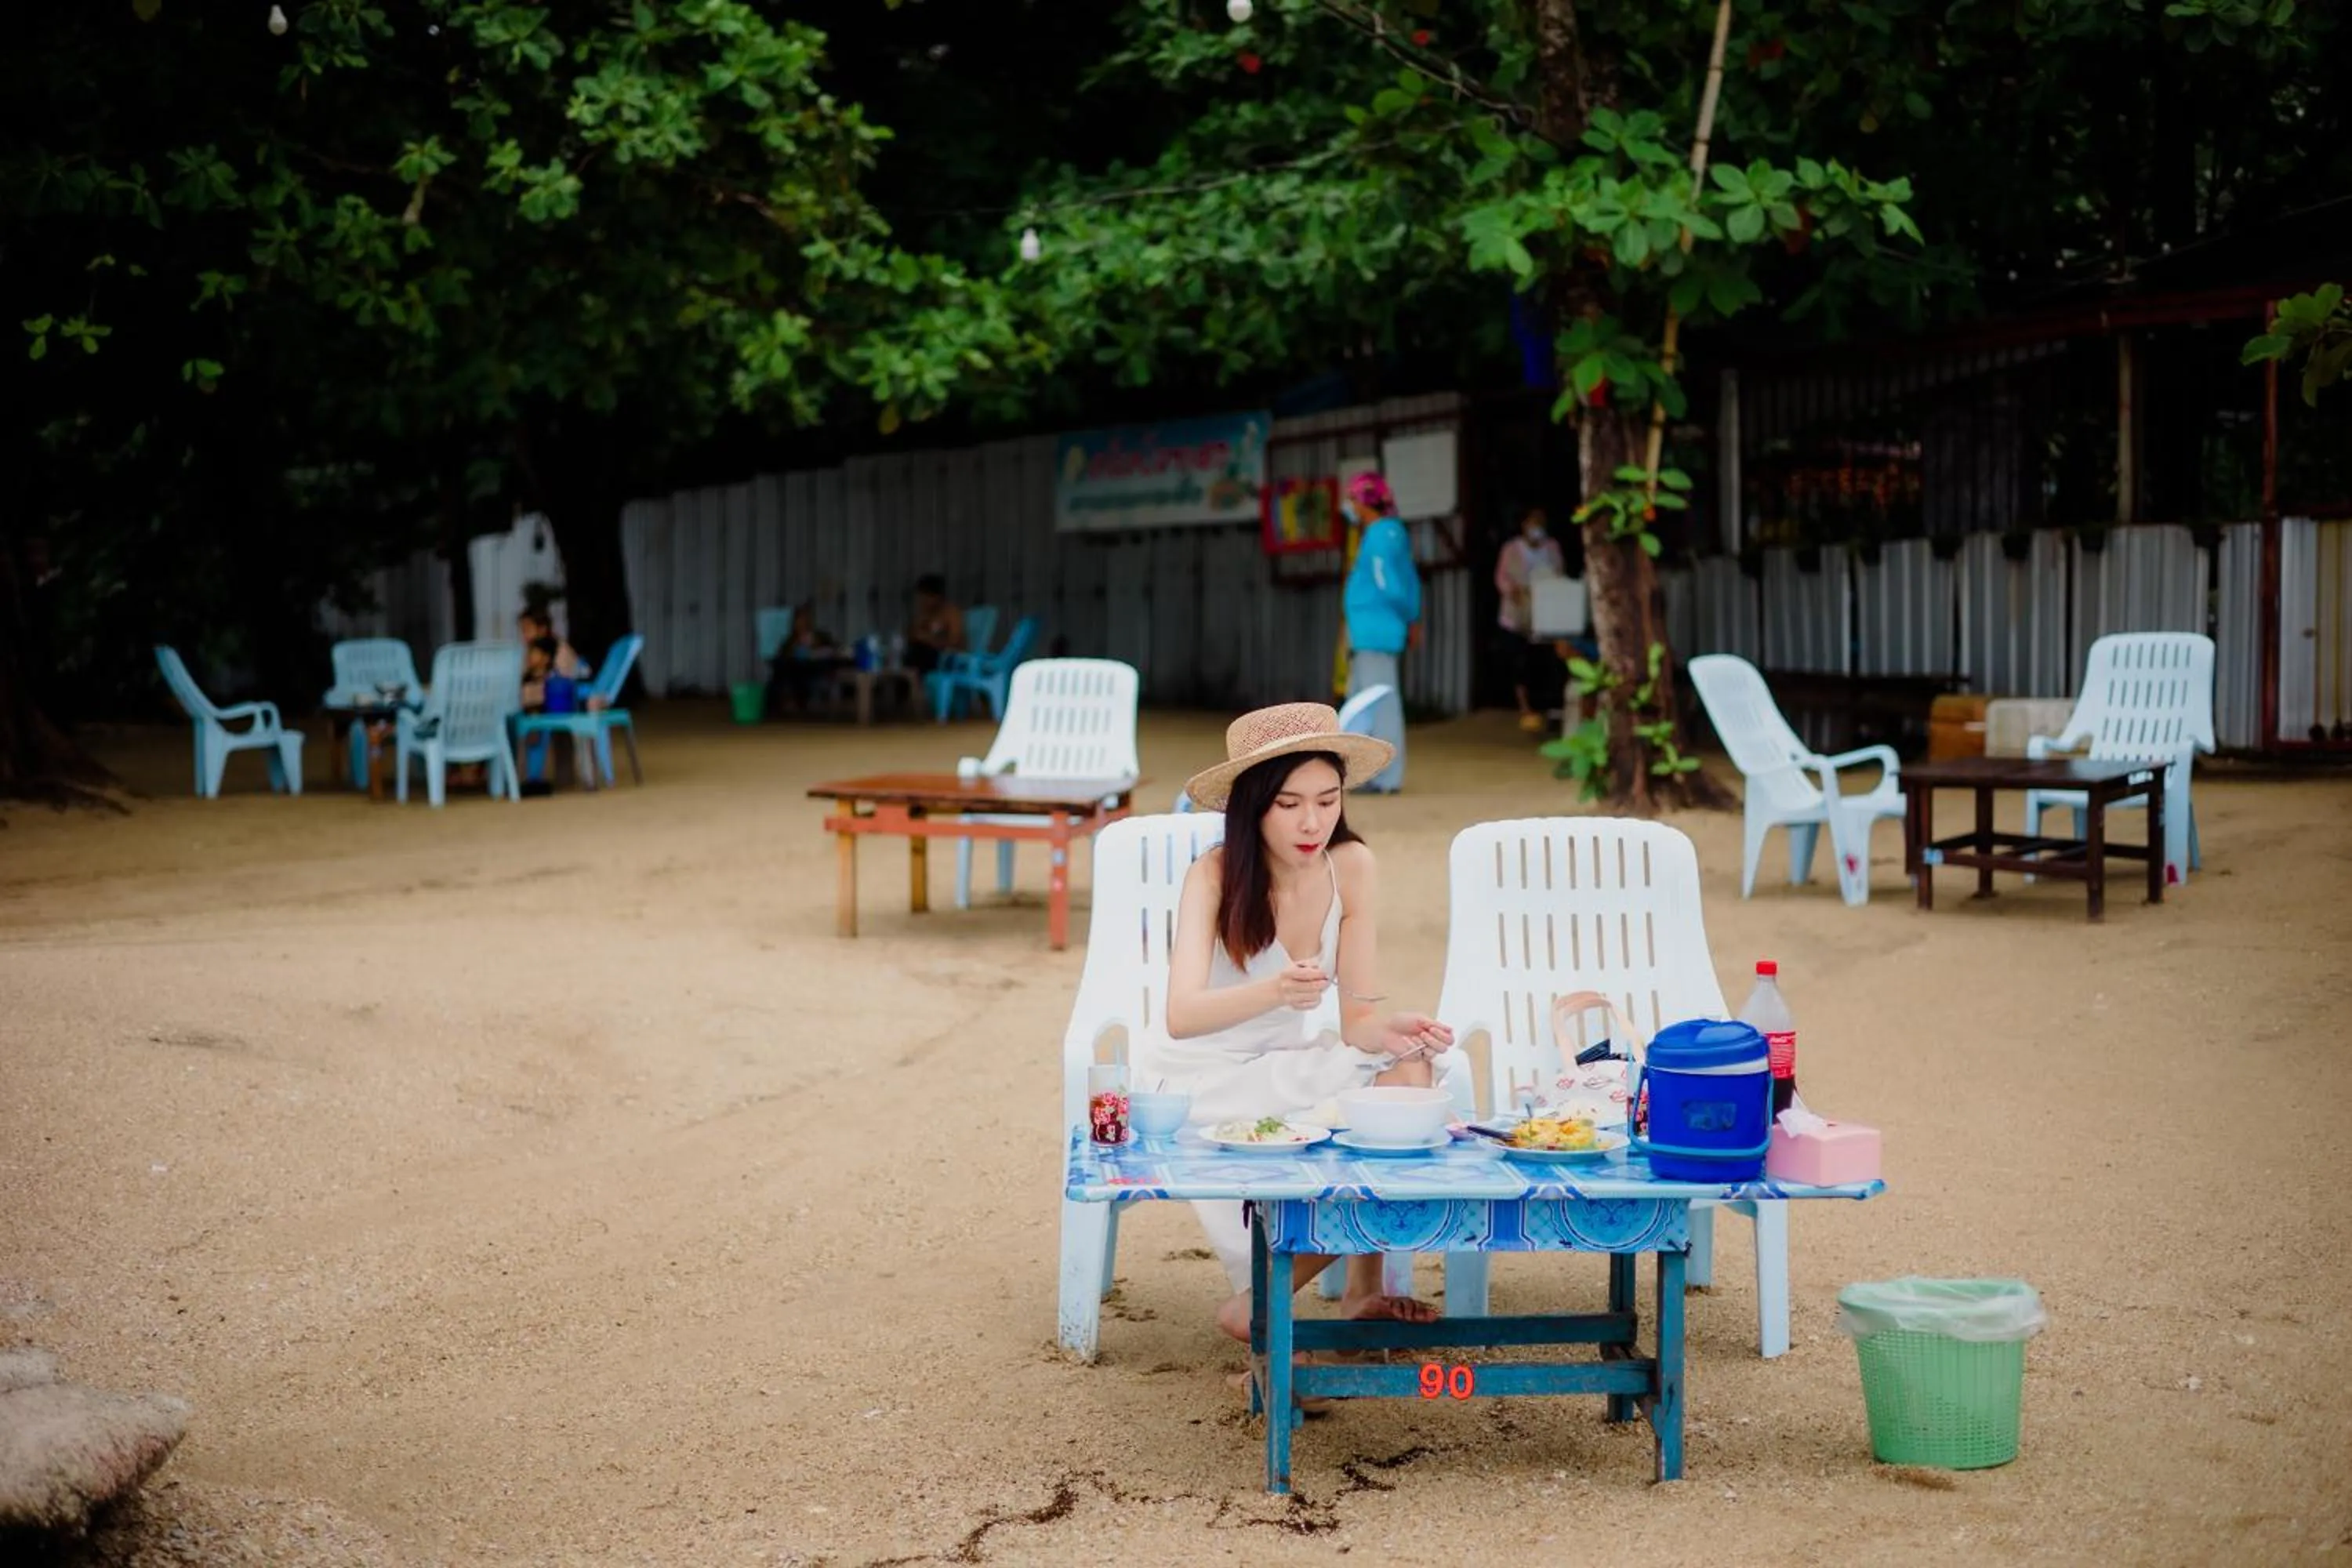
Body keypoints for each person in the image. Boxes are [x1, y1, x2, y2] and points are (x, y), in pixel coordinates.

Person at [1134, 702, 1457, 1397]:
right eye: (1289, 804)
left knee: (1412, 1072)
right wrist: (1275, 992)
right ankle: (1262, 1304)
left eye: (1328, 800)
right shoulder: (1215, 875)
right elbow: (1181, 1016)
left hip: (1287, 1062)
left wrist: (1392, 1026)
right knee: (1381, 1103)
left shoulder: (1353, 864)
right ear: (1254, 807)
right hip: (1201, 1077)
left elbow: (1359, 1017)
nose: (1313, 823)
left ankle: (1360, 1292)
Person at [1338, 472, 1417, 792]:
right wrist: (1410, 616)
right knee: (1358, 705)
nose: (1350, 505)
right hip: (1370, 629)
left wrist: (1401, 615)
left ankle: (1386, 778)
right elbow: (1409, 581)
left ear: (1366, 502)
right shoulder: (1388, 532)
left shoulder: (1380, 534)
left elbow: (1390, 584)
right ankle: (1365, 774)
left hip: (1376, 629)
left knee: (1380, 704)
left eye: (1353, 499)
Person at [1495, 506, 1569, 732]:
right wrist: (1512, 590)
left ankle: (1550, 709)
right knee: (1520, 662)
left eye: (1540, 523)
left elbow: (1560, 574)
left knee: (1547, 661)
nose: (1536, 528)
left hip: (1546, 613)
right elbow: (1501, 576)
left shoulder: (1552, 547)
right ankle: (1525, 708)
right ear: (1524, 525)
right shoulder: (1511, 549)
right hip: (1517, 614)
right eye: (1532, 522)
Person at [763, 603, 848, 716]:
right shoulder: (791, 640)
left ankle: (801, 704)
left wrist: (819, 649)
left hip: (816, 668)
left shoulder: (820, 636)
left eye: (806, 618)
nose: (803, 622)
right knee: (782, 672)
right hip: (797, 670)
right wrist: (794, 649)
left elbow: (835, 648)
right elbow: (782, 655)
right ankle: (773, 708)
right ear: (795, 622)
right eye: (800, 619)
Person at [904, 574, 964, 676]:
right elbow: (912, 636)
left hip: (949, 659)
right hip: (927, 656)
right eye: (920, 597)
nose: (922, 601)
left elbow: (954, 642)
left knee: (919, 656)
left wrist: (927, 638)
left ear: (937, 596)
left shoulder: (951, 613)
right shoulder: (927, 614)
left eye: (925, 597)